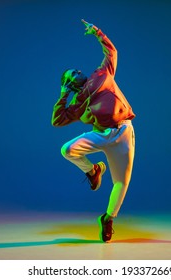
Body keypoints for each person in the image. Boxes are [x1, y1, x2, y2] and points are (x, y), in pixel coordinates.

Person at [51, 19, 135, 242]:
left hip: (123, 132)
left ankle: (108, 218)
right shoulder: (78, 102)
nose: (78, 71)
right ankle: (92, 171)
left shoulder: (101, 74)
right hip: (100, 135)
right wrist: (63, 95)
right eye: (73, 74)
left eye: (77, 70)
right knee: (67, 150)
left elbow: (112, 52)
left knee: (121, 182)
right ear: (71, 84)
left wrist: (97, 32)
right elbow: (58, 120)